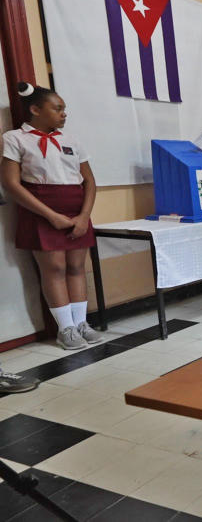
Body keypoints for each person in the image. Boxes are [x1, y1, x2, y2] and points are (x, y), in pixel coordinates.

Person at [1, 82, 103, 350]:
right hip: (42, 211)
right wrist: (50, 215)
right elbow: (12, 184)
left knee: (77, 267)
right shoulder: (15, 138)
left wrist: (84, 216)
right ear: (35, 109)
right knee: (54, 268)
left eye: (64, 109)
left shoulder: (71, 140)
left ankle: (81, 322)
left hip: (76, 211)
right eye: (57, 108)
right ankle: (65, 328)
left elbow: (90, 181)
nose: (64, 114)